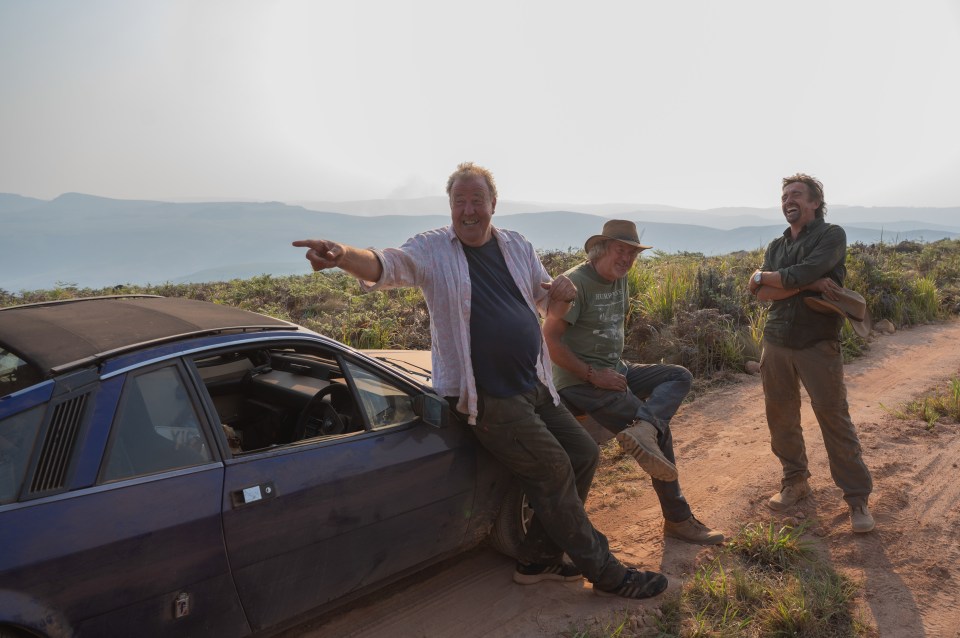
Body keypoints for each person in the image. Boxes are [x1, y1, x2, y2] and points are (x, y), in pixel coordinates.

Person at [293, 162, 667, 599]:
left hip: (534, 382)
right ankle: (606, 573)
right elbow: (387, 265)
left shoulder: (515, 245)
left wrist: (560, 293)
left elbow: (545, 298)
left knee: (583, 453)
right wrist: (342, 255)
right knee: (553, 468)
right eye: (459, 201)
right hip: (487, 396)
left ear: (494, 204)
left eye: (476, 200)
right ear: (450, 205)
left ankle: (538, 558)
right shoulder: (433, 249)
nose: (467, 210)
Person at [543, 220, 724, 546]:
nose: (627, 259)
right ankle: (679, 519)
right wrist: (592, 374)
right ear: (600, 249)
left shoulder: (618, 280)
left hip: (615, 370)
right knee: (660, 434)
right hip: (579, 381)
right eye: (620, 250)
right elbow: (551, 341)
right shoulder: (575, 283)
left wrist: (612, 372)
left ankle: (645, 428)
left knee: (678, 375)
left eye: (632, 253)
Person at [748, 173, 875, 533]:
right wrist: (801, 283)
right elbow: (760, 293)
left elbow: (800, 272)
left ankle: (857, 499)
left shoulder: (831, 235)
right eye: (785, 195)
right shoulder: (777, 244)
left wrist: (771, 277)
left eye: (797, 195)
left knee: (834, 419)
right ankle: (795, 481)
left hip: (818, 342)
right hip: (775, 341)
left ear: (815, 202)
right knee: (781, 417)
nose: (789, 200)